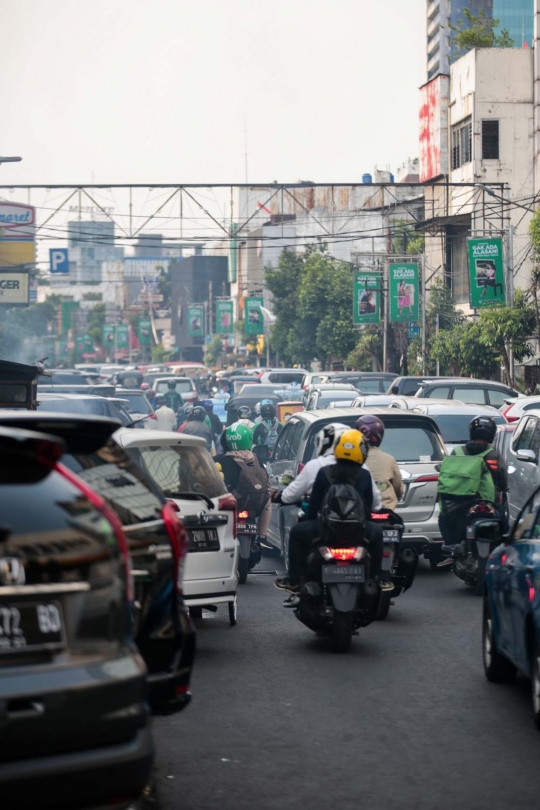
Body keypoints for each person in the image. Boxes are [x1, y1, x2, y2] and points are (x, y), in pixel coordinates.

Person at [274, 429, 391, 595]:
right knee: (378, 533)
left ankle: (294, 581)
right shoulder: (364, 474)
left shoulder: (324, 472)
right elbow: (372, 508)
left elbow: (313, 508)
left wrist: (311, 522)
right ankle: (380, 577)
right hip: (358, 532)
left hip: (326, 531)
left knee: (295, 533)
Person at [437, 415, 508, 566]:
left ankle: (450, 546)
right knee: (503, 520)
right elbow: (501, 476)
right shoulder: (493, 454)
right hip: (487, 501)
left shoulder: (457, 452)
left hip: (457, 502)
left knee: (443, 519)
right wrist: (502, 487)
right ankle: (507, 550)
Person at [271, 422, 382, 510]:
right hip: (359, 528)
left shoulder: (315, 466)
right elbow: (376, 504)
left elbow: (290, 496)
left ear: (324, 442)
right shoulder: (362, 468)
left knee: (296, 533)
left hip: (324, 528)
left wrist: (277, 496)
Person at [214, 422, 271, 549]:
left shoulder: (218, 459)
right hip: (253, 502)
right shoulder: (255, 458)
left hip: (229, 503)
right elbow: (266, 481)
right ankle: (263, 537)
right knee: (268, 502)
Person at [354, 415, 403, 510]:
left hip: (362, 511)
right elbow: (398, 486)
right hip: (386, 509)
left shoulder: (351, 460)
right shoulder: (389, 459)